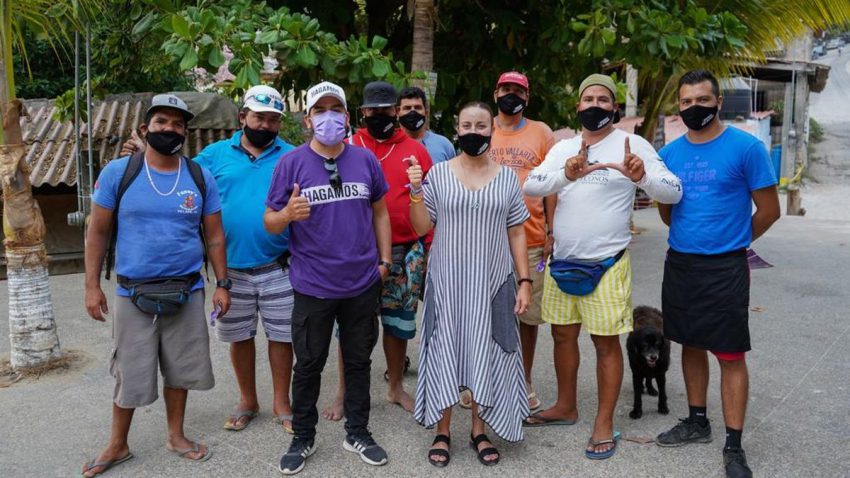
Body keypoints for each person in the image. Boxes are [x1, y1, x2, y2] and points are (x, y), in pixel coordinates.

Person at [523, 74, 682, 460]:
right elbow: (532, 185)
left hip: (607, 265)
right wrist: (567, 174)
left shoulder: (634, 145)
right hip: (563, 263)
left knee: (605, 343)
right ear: (578, 106)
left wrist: (641, 176)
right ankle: (566, 406)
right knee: (562, 336)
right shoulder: (563, 148)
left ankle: (603, 422)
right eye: (588, 98)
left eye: (603, 99)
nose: (595, 105)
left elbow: (674, 191)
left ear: (614, 107)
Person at [121, 86, 297, 434]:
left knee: (281, 337)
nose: (266, 125)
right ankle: (248, 400)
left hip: (280, 264)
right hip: (230, 269)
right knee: (239, 336)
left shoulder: (292, 156)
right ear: (242, 117)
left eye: (273, 120)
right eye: (259, 117)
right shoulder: (214, 156)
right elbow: (174, 173)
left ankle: (282, 402)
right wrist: (144, 154)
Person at [81, 94, 230, 477]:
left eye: (178, 124)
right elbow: (97, 232)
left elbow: (215, 236)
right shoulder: (119, 173)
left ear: (185, 133)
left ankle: (176, 435)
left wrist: (222, 283)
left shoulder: (199, 177)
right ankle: (118, 444)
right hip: (133, 292)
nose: (170, 129)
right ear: (145, 128)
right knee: (129, 370)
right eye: (162, 122)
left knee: (180, 368)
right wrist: (91, 286)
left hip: (187, 290)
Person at [655, 70, 780, 478]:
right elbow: (667, 211)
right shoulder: (669, 154)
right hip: (681, 264)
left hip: (726, 266)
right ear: (679, 106)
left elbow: (769, 210)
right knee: (690, 342)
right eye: (687, 102)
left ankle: (734, 445)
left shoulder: (746, 148)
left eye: (703, 100)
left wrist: (734, 240)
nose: (695, 108)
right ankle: (697, 421)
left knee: (729, 353)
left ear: (719, 102)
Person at [264, 81, 392, 475]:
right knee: (308, 365)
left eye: (336, 109)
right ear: (307, 119)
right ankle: (302, 436)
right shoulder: (291, 164)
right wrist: (287, 215)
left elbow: (380, 211)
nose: (328, 117)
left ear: (347, 117)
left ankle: (358, 432)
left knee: (358, 362)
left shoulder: (365, 160)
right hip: (313, 286)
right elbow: (269, 221)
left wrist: (385, 260)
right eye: (320, 110)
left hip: (361, 283)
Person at [408, 101, 532, 468]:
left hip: (493, 282)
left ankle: (479, 429)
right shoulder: (438, 174)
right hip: (447, 282)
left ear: (491, 129)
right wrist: (415, 191)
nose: (473, 131)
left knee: (488, 350)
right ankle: (442, 430)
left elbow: (517, 231)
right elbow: (421, 226)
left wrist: (525, 281)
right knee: (444, 347)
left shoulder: (507, 178)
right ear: (457, 129)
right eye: (467, 125)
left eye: (480, 125)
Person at [322, 81, 433, 417]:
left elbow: (430, 203)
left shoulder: (415, 150)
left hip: (404, 250)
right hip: (357, 253)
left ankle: (395, 387)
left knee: (398, 325)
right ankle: (344, 392)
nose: (379, 115)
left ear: (396, 111)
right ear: (363, 111)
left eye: (386, 110)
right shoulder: (347, 146)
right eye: (373, 110)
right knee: (350, 327)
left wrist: (428, 248)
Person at [486, 71, 557, 412]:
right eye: (506, 89)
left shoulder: (542, 132)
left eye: (518, 90)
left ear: (527, 98)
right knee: (485, 314)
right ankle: (482, 380)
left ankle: (523, 380)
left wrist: (552, 231)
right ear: (495, 93)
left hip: (531, 240)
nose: (511, 94)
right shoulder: (483, 128)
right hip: (486, 241)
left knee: (527, 318)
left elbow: (553, 187)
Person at [397, 86, 456, 163]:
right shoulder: (389, 146)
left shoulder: (444, 145)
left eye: (418, 107)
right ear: (398, 112)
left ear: (426, 112)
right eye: (407, 108)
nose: (413, 112)